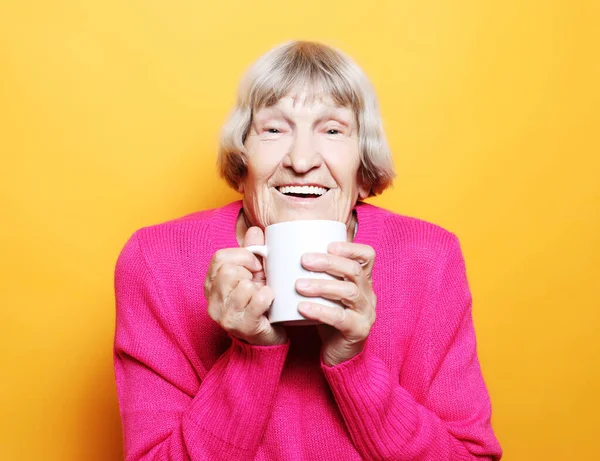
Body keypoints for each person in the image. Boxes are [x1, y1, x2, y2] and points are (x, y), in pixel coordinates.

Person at [113, 41, 502, 460]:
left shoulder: (430, 258)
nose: (301, 160)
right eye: (274, 129)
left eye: (332, 130)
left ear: (364, 171)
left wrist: (352, 362)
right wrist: (251, 354)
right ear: (242, 166)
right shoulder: (155, 260)